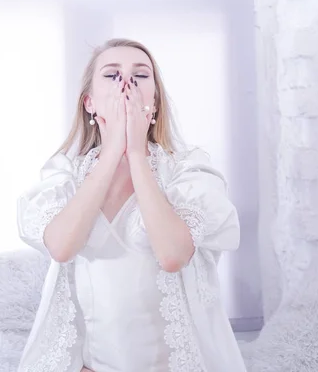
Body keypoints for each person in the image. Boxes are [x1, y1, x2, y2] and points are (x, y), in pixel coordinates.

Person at [16, 38, 247, 372]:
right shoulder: (65, 173)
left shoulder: (187, 170)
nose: (126, 84)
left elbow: (172, 255)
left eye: (140, 76)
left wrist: (136, 153)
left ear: (153, 102)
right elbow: (62, 247)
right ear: (90, 103)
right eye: (112, 75)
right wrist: (112, 152)